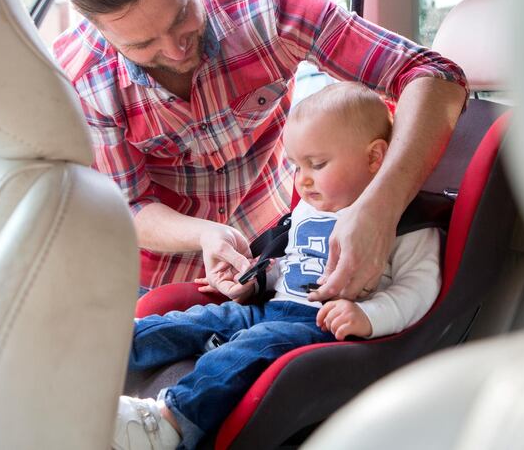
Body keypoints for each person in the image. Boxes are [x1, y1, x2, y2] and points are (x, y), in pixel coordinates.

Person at [50, 0, 466, 299]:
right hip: (153, 276)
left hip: (276, 246)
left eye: (181, 16)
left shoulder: (269, 1)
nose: (175, 50)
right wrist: (206, 234)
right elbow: (130, 205)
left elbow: (433, 76)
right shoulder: (82, 78)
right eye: (142, 46)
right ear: (94, 25)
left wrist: (378, 209)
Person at [112, 83, 441, 450]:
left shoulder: (405, 223)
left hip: (320, 328)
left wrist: (368, 316)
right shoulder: (308, 208)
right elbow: (289, 263)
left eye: (317, 165)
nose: (303, 179)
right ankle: (97, 351)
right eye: (297, 166)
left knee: (253, 345)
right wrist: (255, 280)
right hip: (270, 308)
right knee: (194, 320)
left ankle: (167, 423)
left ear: (374, 157)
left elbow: (419, 289)